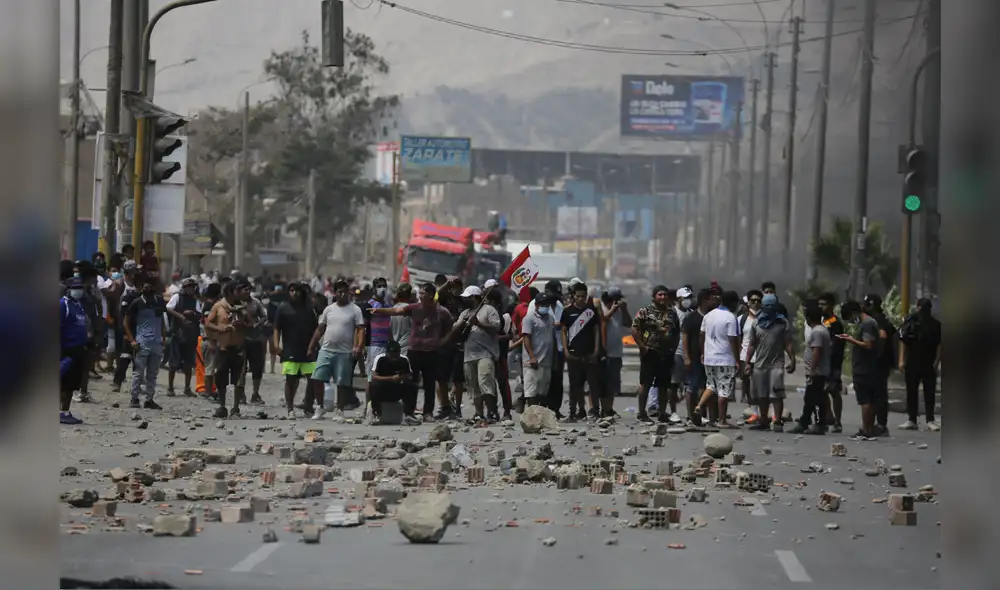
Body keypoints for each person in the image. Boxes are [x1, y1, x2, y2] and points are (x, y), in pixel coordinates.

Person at [373, 282, 454, 420]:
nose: (420, 296)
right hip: (414, 350)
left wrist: (442, 341)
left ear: (430, 295)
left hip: (431, 351)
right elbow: (396, 311)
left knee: (429, 384)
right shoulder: (415, 308)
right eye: (419, 293)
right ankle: (409, 412)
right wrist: (379, 311)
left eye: (423, 293)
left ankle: (428, 412)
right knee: (411, 383)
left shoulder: (441, 311)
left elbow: (451, 327)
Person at [308, 279, 365, 419]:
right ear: (335, 293)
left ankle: (340, 410)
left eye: (345, 291)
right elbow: (320, 329)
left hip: (344, 352)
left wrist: (359, 346)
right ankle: (320, 407)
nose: (343, 294)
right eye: (340, 291)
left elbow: (360, 329)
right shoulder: (329, 309)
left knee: (342, 382)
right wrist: (311, 346)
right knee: (317, 377)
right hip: (326, 350)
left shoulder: (355, 310)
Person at [448, 285, 502, 423]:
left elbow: (496, 328)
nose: (464, 300)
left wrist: (479, 323)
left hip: (485, 353)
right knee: (473, 386)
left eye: (467, 298)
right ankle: (479, 413)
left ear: (474, 298)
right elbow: (454, 331)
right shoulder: (465, 313)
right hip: (469, 355)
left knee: (485, 382)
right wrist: (462, 323)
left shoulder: (488, 310)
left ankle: (491, 412)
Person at [745, 293, 795, 432]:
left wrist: (792, 359)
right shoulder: (756, 323)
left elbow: (788, 342)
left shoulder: (782, 323)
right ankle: (763, 421)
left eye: (771, 306)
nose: (769, 309)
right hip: (760, 364)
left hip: (776, 364)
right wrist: (748, 362)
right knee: (762, 395)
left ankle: (777, 421)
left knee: (776, 394)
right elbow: (752, 344)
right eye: (766, 306)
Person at [838, 299, 886, 440]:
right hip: (869, 366)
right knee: (869, 400)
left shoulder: (867, 324)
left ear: (854, 313)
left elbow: (868, 344)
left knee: (865, 400)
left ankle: (866, 430)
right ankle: (868, 428)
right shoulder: (869, 322)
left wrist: (850, 340)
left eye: (849, 318)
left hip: (864, 367)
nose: (851, 321)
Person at [632, 285, 680, 424]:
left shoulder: (672, 313)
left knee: (664, 386)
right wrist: (642, 346)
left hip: (666, 354)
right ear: (654, 297)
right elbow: (635, 329)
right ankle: (642, 413)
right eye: (660, 294)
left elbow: (676, 332)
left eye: (665, 294)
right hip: (650, 352)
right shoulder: (645, 311)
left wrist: (673, 348)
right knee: (645, 384)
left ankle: (662, 414)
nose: (662, 297)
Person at [693, 289, 741, 428]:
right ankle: (722, 420)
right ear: (732, 303)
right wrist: (737, 359)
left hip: (709, 358)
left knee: (711, 385)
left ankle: (698, 406)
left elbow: (701, 335)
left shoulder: (708, 315)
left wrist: (703, 353)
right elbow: (732, 339)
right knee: (724, 390)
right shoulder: (730, 317)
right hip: (725, 359)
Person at [273, 282, 320, 419]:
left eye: (297, 290)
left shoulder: (309, 309)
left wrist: (314, 346)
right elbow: (276, 328)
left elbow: (316, 329)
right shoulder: (283, 308)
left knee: (313, 379)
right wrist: (276, 345)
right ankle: (290, 409)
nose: (294, 293)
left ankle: (308, 405)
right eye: (291, 290)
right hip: (290, 349)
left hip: (308, 349)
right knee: (291, 379)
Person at [205, 280, 250, 419]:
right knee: (221, 378)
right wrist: (221, 329)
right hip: (223, 348)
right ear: (230, 292)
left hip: (238, 348)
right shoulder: (219, 306)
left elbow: (251, 324)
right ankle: (222, 406)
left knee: (239, 379)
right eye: (237, 290)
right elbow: (208, 323)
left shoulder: (242, 307)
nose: (240, 293)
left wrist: (243, 324)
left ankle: (235, 407)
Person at [122, 277, 167, 410]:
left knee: (153, 374)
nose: (148, 289)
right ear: (142, 288)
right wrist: (132, 340)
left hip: (156, 342)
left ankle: (149, 399)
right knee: (138, 373)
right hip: (142, 342)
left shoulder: (159, 301)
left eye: (150, 286)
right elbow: (125, 321)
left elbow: (162, 320)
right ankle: (134, 398)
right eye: (146, 287)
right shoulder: (137, 302)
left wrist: (164, 338)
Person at [561, 282, 604, 421]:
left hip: (589, 353)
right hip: (574, 354)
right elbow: (563, 332)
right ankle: (576, 411)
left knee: (593, 384)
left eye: (583, 296)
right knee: (575, 386)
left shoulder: (591, 311)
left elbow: (596, 331)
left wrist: (596, 350)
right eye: (578, 296)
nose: (580, 299)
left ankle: (595, 411)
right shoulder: (567, 311)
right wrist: (566, 351)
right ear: (573, 296)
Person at [898, 297, 941, 431]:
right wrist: (901, 360)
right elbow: (903, 340)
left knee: (929, 392)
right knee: (912, 391)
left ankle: (930, 419)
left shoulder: (935, 325)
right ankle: (912, 419)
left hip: (928, 362)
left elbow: (940, 344)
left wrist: (937, 361)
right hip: (913, 361)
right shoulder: (910, 321)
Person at [790, 306, 831, 434]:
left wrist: (812, 370)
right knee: (811, 398)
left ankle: (819, 424)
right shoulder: (822, 330)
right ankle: (805, 422)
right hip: (818, 371)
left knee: (814, 398)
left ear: (809, 318)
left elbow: (817, 351)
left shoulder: (817, 332)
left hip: (817, 372)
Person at [865, 293, 896, 437]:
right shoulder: (880, 319)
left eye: (867, 305)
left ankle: (881, 425)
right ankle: (876, 423)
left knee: (879, 394)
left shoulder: (878, 320)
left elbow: (883, 336)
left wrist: (877, 355)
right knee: (877, 393)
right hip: (882, 362)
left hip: (879, 363)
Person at [368, 339, 420, 425]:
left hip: (397, 388)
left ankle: (409, 414)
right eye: (391, 355)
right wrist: (391, 378)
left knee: (412, 386)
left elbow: (410, 376)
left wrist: (401, 378)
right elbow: (374, 377)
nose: (394, 358)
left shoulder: (404, 360)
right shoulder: (380, 359)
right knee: (374, 386)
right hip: (383, 388)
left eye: (396, 355)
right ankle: (377, 413)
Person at [165, 277, 201, 397]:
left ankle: (187, 388)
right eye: (188, 287)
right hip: (177, 333)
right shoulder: (177, 297)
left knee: (188, 363)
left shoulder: (195, 300)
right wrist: (180, 316)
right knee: (173, 363)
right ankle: (170, 387)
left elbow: (199, 314)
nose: (190, 289)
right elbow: (168, 308)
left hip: (190, 335)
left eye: (192, 287)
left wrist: (193, 314)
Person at [60, 277, 89, 425]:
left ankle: (65, 411)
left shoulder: (78, 305)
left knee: (72, 384)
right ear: (69, 289)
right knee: (65, 383)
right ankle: (62, 412)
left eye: (80, 287)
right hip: (67, 350)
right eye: (75, 288)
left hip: (78, 349)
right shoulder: (63, 304)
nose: (79, 290)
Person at [521, 292, 556, 408]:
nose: (545, 307)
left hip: (546, 361)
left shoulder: (550, 318)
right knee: (532, 393)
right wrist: (532, 357)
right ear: (536, 305)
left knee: (543, 393)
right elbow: (526, 338)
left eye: (547, 304)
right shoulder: (529, 318)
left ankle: (541, 415)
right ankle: (531, 415)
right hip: (533, 362)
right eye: (542, 304)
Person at [680, 288, 711, 424]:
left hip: (710, 357)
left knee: (705, 387)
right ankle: (690, 416)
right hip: (694, 357)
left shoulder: (712, 317)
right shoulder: (691, 318)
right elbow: (685, 337)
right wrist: (686, 356)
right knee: (691, 387)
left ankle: (702, 415)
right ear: (704, 301)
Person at [599, 286, 630, 417]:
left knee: (613, 384)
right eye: (614, 299)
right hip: (604, 353)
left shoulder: (620, 311)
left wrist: (624, 310)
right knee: (602, 384)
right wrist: (612, 310)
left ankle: (609, 409)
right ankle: (601, 408)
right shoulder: (602, 308)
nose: (616, 302)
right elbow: (603, 320)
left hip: (616, 353)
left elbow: (628, 324)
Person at [817, 293, 846, 433]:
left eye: (824, 304)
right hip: (821, 363)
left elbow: (836, 344)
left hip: (833, 363)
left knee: (833, 391)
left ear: (831, 306)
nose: (821, 307)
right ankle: (828, 416)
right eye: (819, 304)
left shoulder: (835, 322)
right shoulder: (821, 321)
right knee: (821, 391)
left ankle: (838, 422)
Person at [666, 286, 694, 422]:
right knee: (674, 384)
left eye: (690, 298)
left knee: (691, 385)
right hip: (676, 352)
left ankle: (691, 414)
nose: (688, 300)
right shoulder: (672, 313)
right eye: (685, 298)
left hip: (690, 352)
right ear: (679, 299)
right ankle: (673, 412)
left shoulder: (692, 313)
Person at [237, 287, 268, 405]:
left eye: (248, 289)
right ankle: (241, 393)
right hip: (241, 339)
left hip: (255, 338)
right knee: (241, 368)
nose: (246, 292)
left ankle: (255, 393)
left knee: (257, 367)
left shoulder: (256, 302)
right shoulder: (236, 302)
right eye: (244, 289)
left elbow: (264, 316)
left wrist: (257, 324)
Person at [737, 289, 763, 408]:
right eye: (753, 301)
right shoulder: (741, 319)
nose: (756, 303)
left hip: (761, 357)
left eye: (758, 301)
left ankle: (758, 409)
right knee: (747, 384)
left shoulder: (764, 319)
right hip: (745, 357)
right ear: (748, 302)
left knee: (759, 386)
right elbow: (738, 338)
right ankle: (751, 408)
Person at [389, 283, 414, 356]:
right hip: (407, 347)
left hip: (395, 347)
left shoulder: (393, 309)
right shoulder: (410, 309)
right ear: (409, 295)